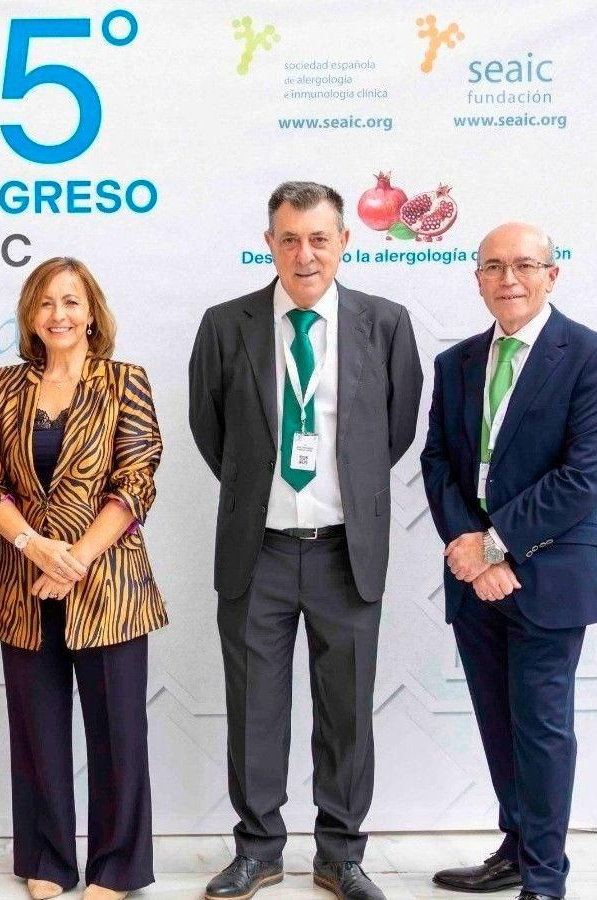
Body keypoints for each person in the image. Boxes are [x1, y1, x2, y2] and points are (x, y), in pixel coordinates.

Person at [187, 181, 423, 900]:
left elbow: (395, 428)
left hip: (344, 551)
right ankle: (258, 850)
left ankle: (341, 854)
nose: (304, 253)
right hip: (256, 551)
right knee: (255, 709)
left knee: (347, 712)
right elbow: (212, 430)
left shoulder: (385, 323)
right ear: (270, 244)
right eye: (289, 238)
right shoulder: (227, 325)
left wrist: (338, 482)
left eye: (319, 238)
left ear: (345, 241)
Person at [420, 223, 597, 900]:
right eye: (494, 267)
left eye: (525, 265)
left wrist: (496, 544)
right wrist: (470, 552)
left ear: (552, 275)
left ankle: (544, 875)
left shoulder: (593, 358)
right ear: (477, 277)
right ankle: (515, 848)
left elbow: (584, 477)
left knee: (540, 729)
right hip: (476, 579)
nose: (509, 279)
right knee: (499, 724)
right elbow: (440, 461)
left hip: (550, 575)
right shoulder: (456, 364)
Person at [0, 257, 164, 900]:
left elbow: (136, 482)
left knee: (117, 734)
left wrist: (74, 559)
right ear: (30, 313)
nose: (60, 314)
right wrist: (33, 547)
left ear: (92, 313)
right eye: (47, 302)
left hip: (107, 587)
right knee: (37, 732)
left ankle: (117, 867)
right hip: (24, 588)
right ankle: (48, 860)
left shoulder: (124, 381)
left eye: (72, 302)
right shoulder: (4, 386)